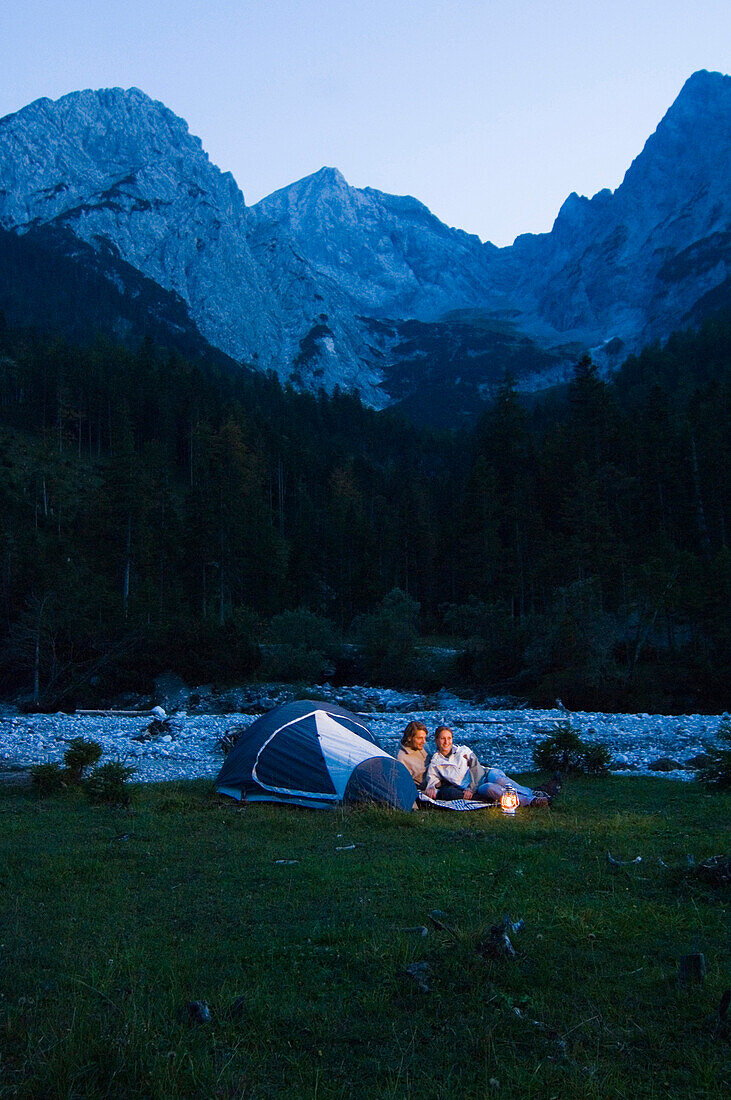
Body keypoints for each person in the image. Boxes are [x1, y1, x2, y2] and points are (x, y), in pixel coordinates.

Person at [424, 725, 555, 807]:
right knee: (494, 789)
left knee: (501, 780)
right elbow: (432, 780)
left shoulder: (462, 751)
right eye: (443, 739)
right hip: (479, 787)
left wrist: (471, 787)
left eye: (449, 738)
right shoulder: (436, 762)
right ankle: (531, 801)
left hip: (485, 774)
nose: (446, 742)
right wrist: (430, 788)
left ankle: (533, 793)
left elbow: (477, 768)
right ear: (436, 740)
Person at [396, 720, 429, 789]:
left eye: (424, 738)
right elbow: (405, 784)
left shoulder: (423, 747)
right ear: (409, 738)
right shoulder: (401, 758)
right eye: (419, 738)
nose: (424, 741)